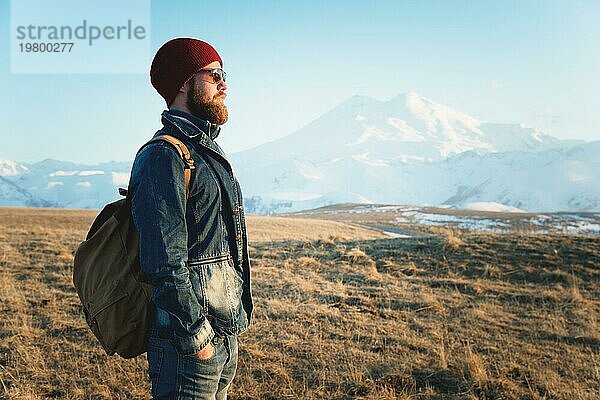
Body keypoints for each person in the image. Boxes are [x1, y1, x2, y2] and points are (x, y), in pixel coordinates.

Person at [127, 37, 253, 399]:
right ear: (184, 82)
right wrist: (198, 338)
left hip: (222, 336)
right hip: (189, 346)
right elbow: (164, 261)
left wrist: (223, 336)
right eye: (215, 74)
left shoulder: (206, 150)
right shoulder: (163, 155)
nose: (224, 84)